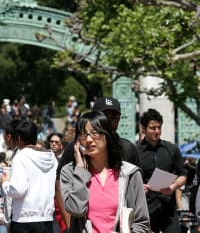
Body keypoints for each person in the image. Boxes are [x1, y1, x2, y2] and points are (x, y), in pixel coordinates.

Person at [56, 97, 141, 229]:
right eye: (104, 116)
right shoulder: (75, 150)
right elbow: (61, 186)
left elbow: (140, 215)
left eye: (114, 117)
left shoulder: (128, 150)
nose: (109, 121)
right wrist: (70, 226)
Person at [0, 120, 58, 233]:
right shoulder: (51, 157)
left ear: (20, 139)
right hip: (47, 218)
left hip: (24, 220)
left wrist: (5, 183)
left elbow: (17, 190)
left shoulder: (21, 156)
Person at [138, 108, 187, 233]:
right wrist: (139, 186)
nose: (157, 131)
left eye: (159, 128)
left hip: (168, 209)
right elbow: (128, 179)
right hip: (146, 209)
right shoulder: (136, 152)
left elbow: (183, 175)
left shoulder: (172, 149)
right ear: (143, 129)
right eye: (152, 128)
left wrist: (173, 187)